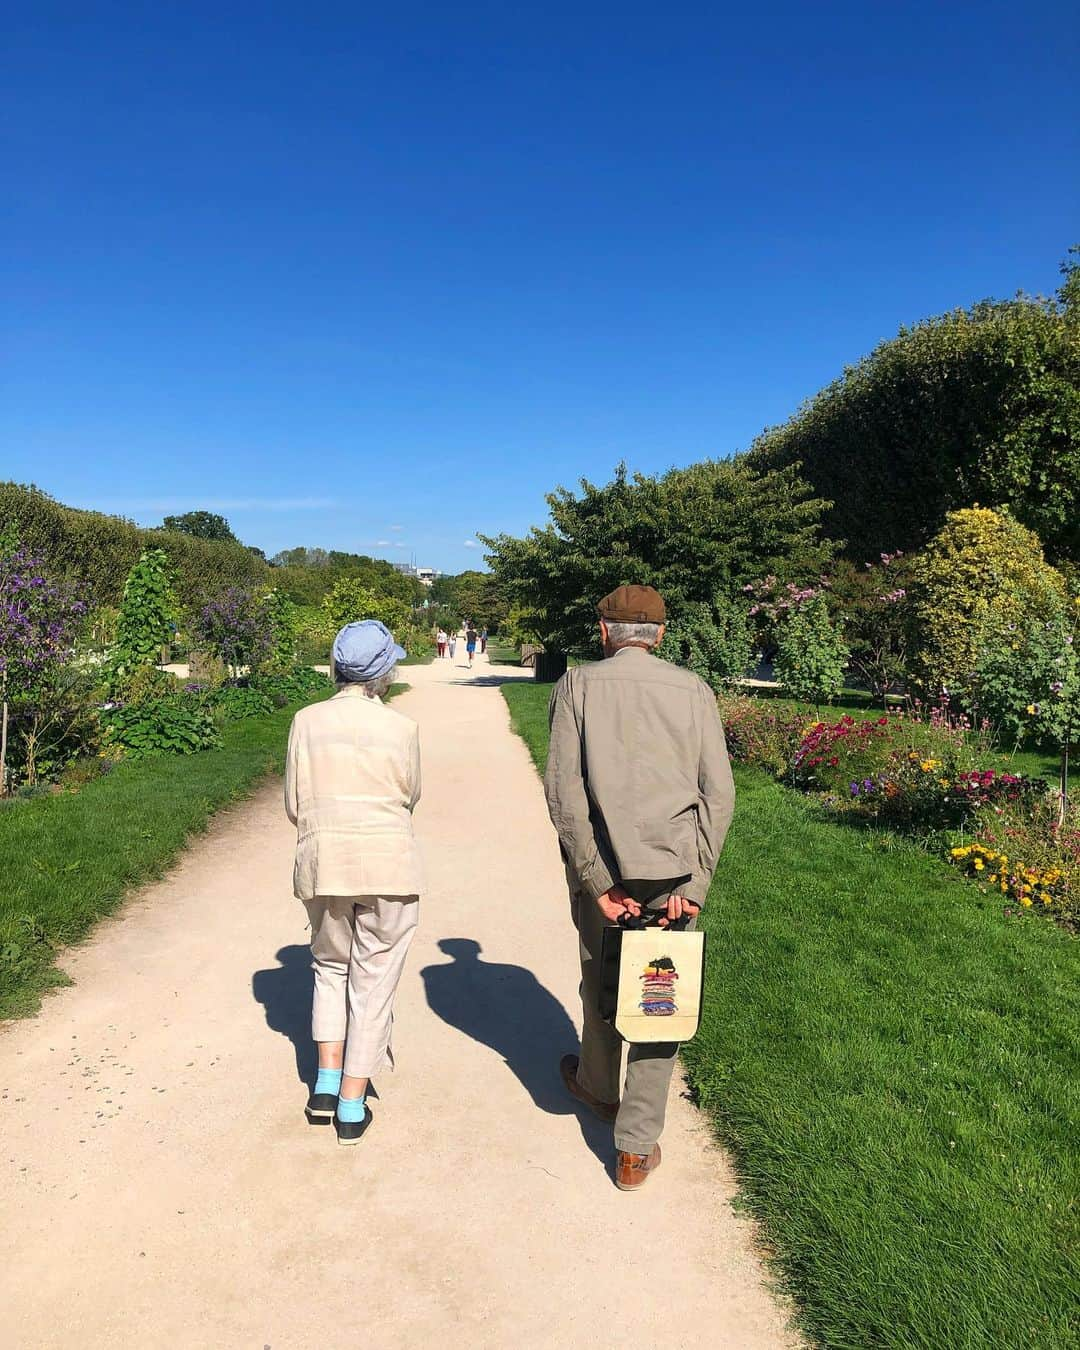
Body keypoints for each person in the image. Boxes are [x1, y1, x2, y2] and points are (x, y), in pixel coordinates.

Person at [544, 585, 735, 1191]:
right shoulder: (695, 690)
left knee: (600, 977)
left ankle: (599, 1091)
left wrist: (597, 879)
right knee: (660, 998)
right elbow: (719, 795)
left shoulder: (577, 685)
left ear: (605, 631)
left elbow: (564, 792)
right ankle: (635, 1147)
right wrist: (696, 881)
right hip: (675, 875)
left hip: (604, 872)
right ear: (659, 634)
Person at [284, 619, 423, 1145]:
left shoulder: (306, 721)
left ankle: (324, 1081)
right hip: (389, 862)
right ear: (384, 672)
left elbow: (295, 804)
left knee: (328, 966)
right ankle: (350, 1101)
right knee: (375, 977)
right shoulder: (402, 728)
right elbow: (411, 795)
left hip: (323, 860)